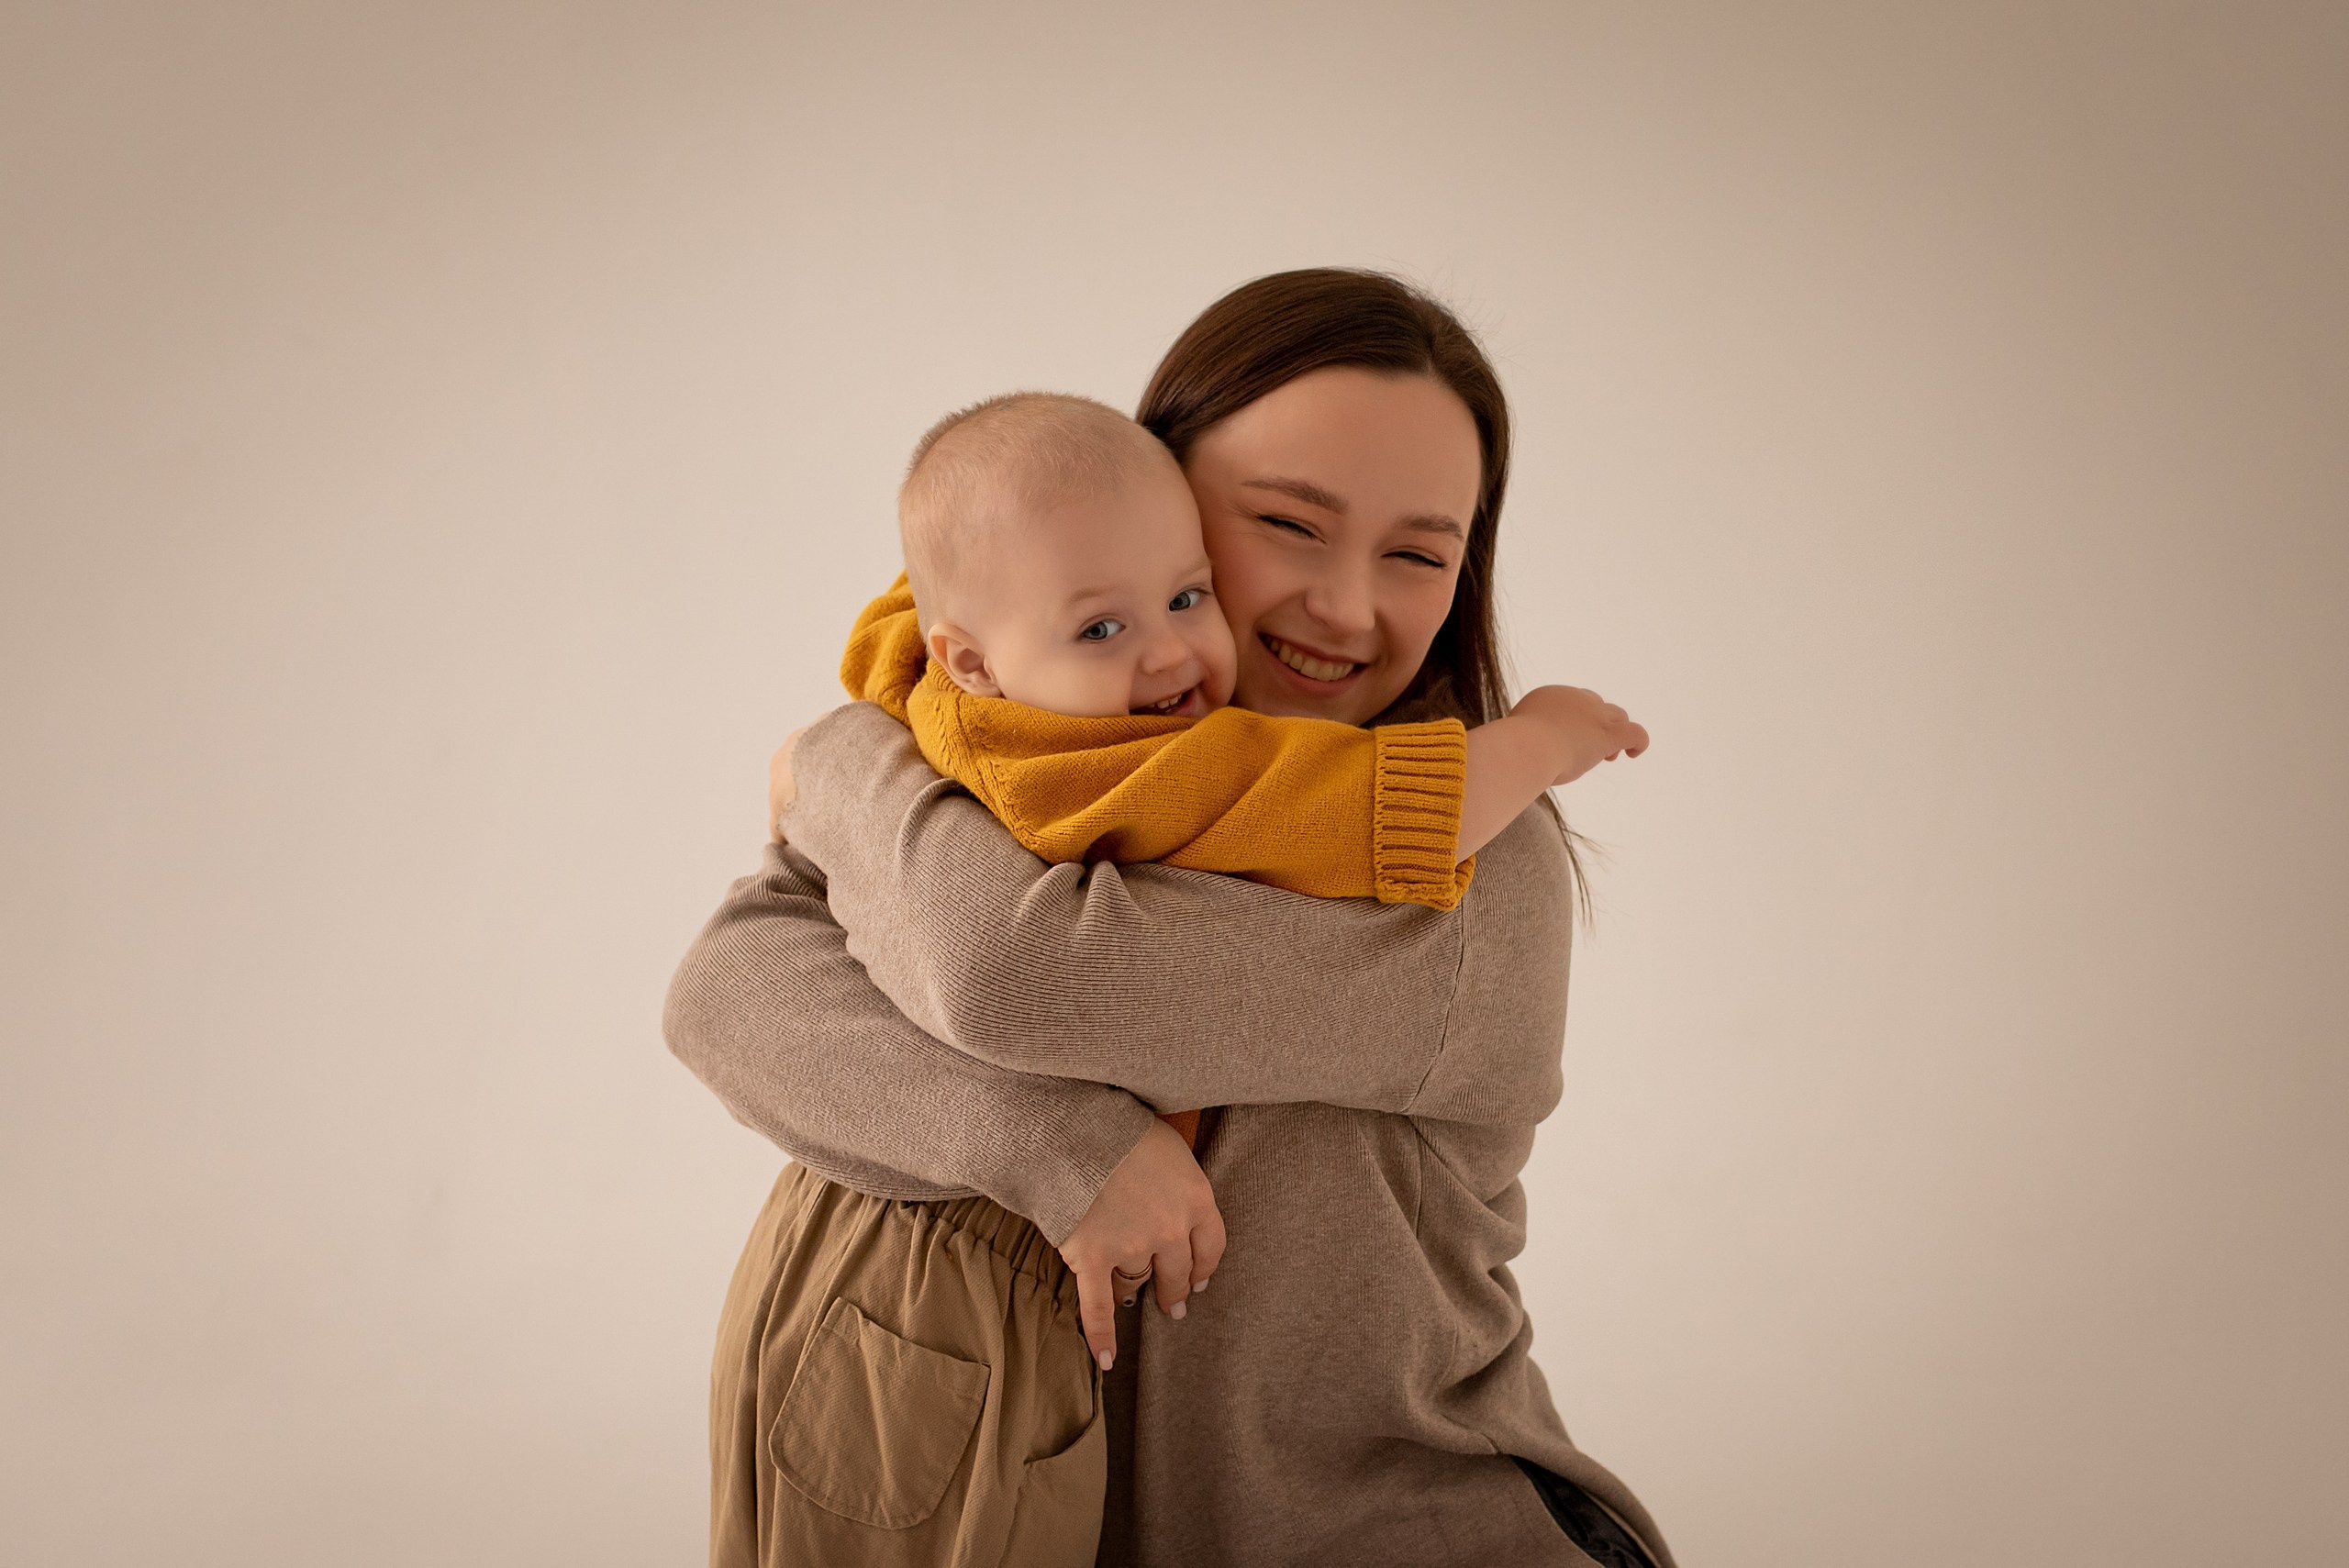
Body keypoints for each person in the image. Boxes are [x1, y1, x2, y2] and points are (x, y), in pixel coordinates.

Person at [666, 268, 1676, 1568]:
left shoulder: (1473, 869)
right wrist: (1057, 1143)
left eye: (1419, 553)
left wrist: (842, 767)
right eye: (1290, 524)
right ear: (1162, 490)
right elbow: (728, 992)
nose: (1349, 607)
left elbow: (1014, 973)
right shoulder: (1023, 769)